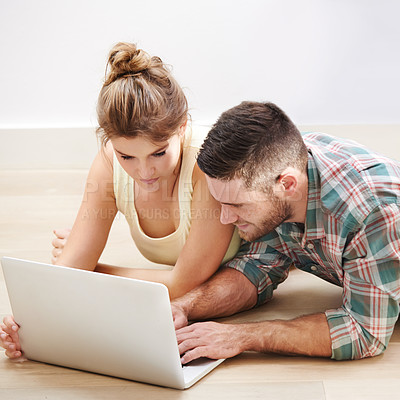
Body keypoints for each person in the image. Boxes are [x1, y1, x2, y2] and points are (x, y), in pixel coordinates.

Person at [0, 43, 240, 359]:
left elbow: (182, 283)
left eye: (158, 153)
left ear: (182, 128)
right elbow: (68, 271)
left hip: (266, 252)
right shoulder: (109, 164)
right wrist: (29, 326)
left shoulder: (205, 164)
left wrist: (90, 271)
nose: (144, 171)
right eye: (127, 155)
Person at [172, 101, 400, 364]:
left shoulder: (371, 212)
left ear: (288, 185)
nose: (225, 218)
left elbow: (363, 332)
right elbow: (255, 268)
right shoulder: (277, 167)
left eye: (236, 205)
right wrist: (183, 307)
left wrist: (241, 336)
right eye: (221, 203)